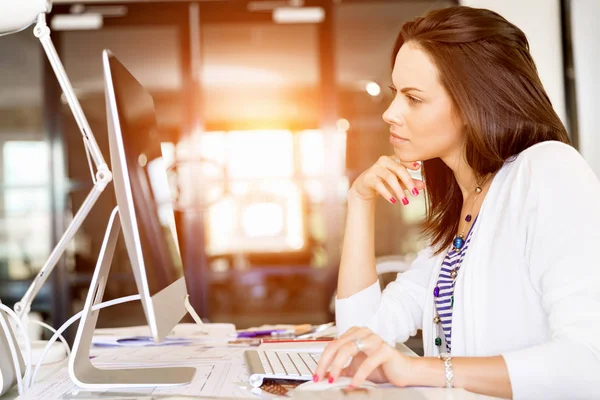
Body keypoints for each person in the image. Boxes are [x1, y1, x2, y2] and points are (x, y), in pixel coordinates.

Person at [314, 6, 600, 400]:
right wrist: (359, 201)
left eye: (414, 98)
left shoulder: (548, 169)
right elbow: (358, 340)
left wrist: (418, 369)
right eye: (397, 94)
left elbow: (589, 363)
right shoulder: (460, 214)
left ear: (474, 102)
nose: (390, 113)